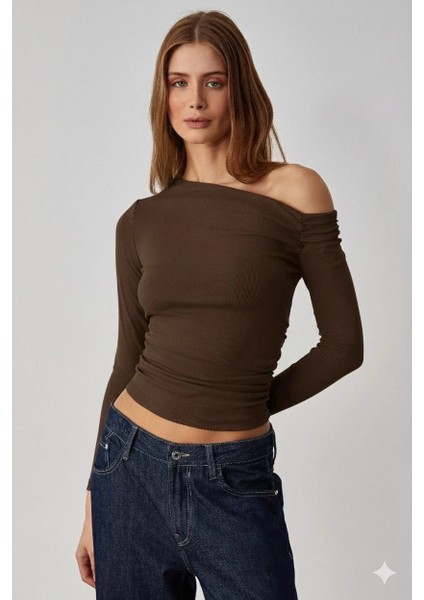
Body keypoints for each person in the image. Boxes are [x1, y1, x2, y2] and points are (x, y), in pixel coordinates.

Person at [75, 9, 364, 599]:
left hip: (236, 479)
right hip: (127, 470)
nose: (195, 100)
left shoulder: (296, 192)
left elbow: (344, 347)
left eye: (214, 81)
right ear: (163, 97)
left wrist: (244, 403)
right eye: (178, 82)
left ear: (240, 89)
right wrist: (90, 501)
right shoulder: (139, 222)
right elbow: (126, 360)